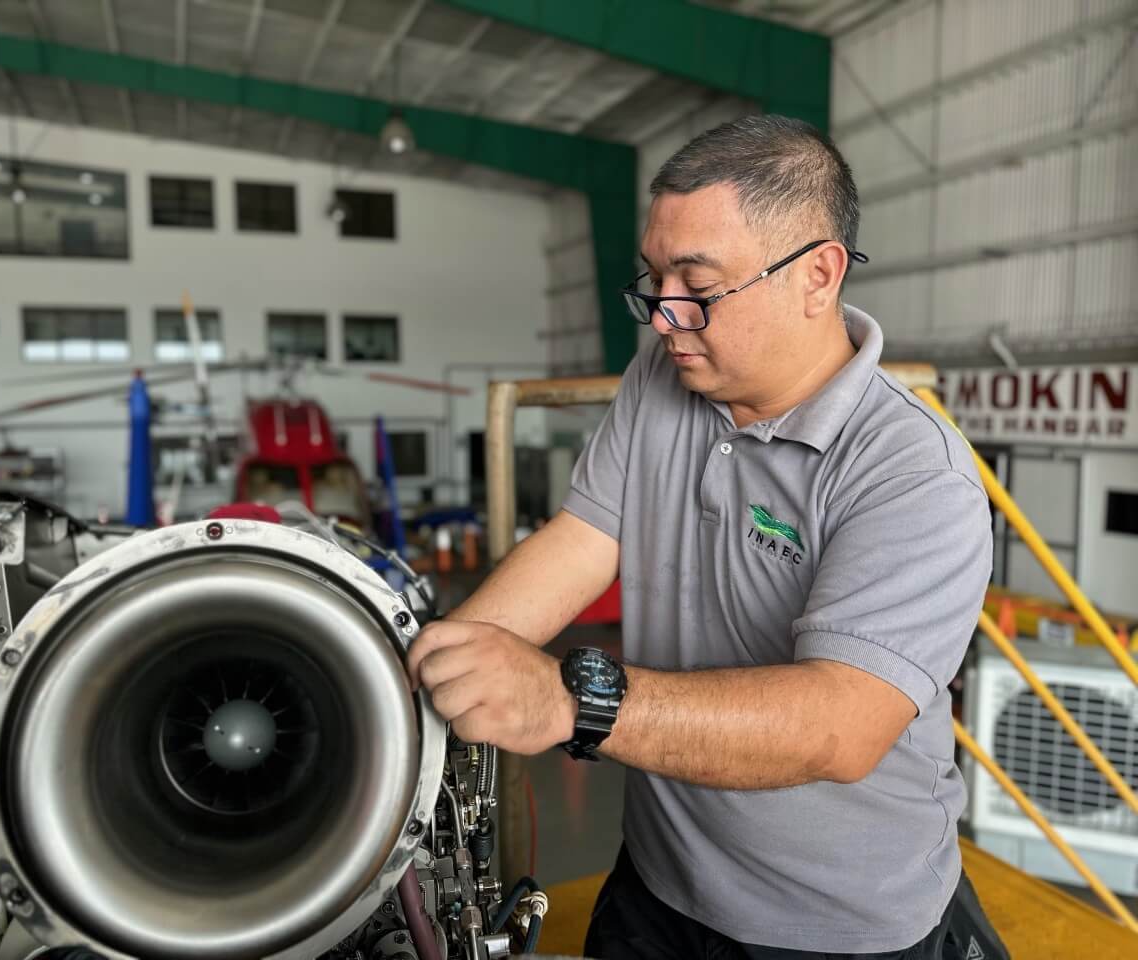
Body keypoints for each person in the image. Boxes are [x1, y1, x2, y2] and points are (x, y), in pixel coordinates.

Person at [407, 115, 1001, 959]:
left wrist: (571, 700)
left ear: (818, 275)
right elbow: (584, 537)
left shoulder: (913, 472)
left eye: (697, 283)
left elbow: (837, 724)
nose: (662, 318)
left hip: (833, 929)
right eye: (653, 279)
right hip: (660, 883)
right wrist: (453, 660)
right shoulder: (666, 372)